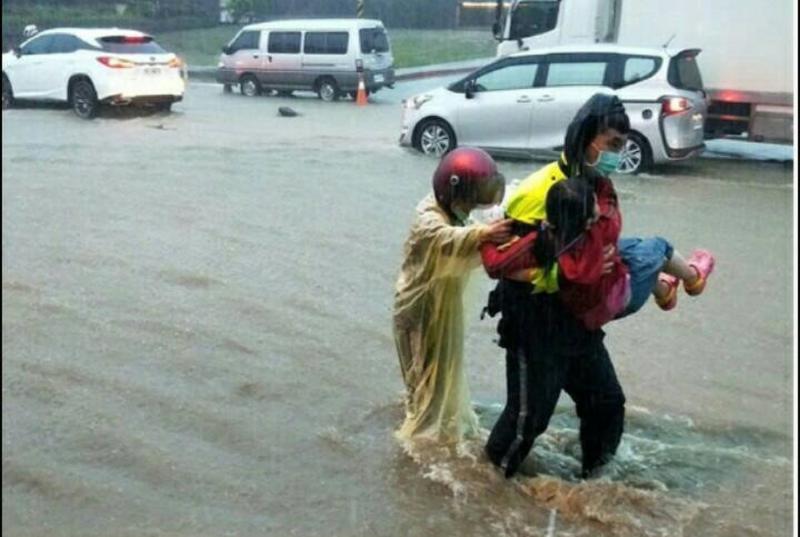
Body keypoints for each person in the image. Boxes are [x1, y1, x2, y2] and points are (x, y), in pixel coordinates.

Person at [482, 94, 642, 479]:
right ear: (587, 137)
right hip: (534, 321)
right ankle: (483, 490)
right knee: (528, 421)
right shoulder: (537, 193)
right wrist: (562, 275)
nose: (616, 155)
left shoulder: (601, 188)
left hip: (580, 322)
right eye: (611, 145)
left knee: (606, 404)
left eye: (622, 146)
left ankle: (595, 485)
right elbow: (503, 261)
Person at [480, 177, 715, 329]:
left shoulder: (541, 239)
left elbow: (494, 266)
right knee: (658, 247)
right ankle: (694, 279)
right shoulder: (601, 232)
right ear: (587, 222)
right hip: (619, 298)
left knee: (633, 247)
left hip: (583, 304)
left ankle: (664, 291)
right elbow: (607, 191)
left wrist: (486, 235)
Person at [393, 147, 511, 444]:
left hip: (444, 304)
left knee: (444, 372)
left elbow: (467, 233)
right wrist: (484, 234)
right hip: (418, 311)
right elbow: (447, 237)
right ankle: (419, 446)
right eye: (469, 202)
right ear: (452, 189)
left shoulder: (454, 213)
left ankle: (439, 434)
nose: (470, 210)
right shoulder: (428, 218)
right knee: (421, 383)